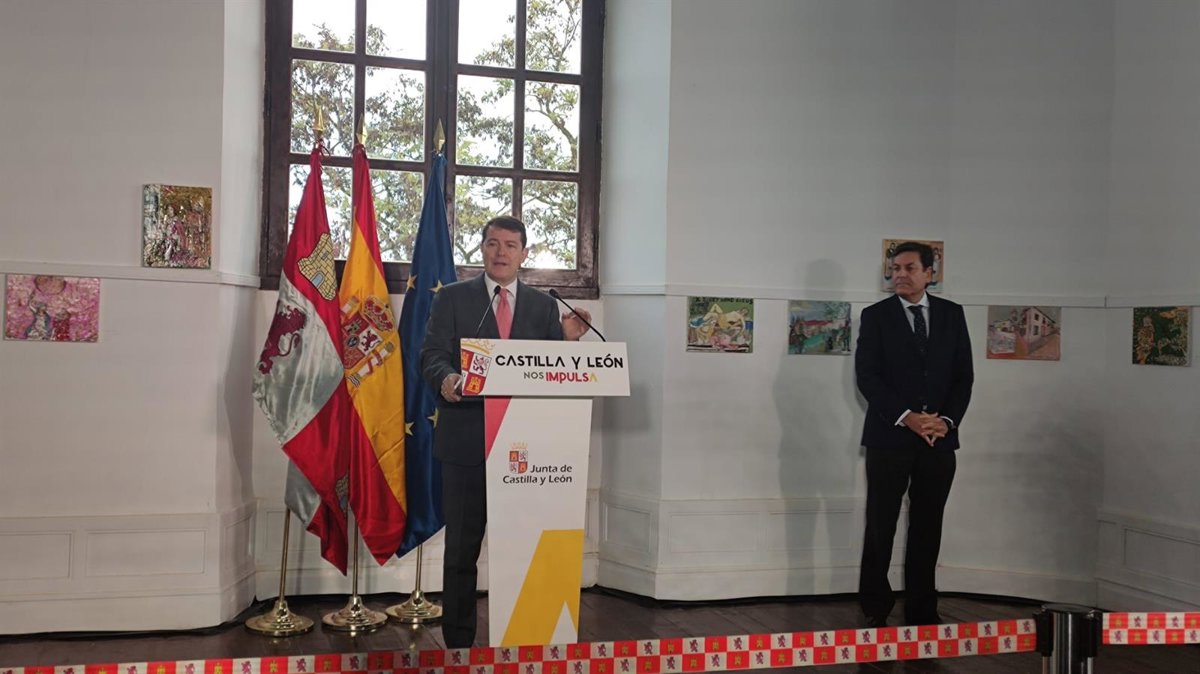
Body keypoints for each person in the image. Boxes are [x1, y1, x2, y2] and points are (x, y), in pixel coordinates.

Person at [421, 215, 592, 648]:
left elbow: (547, 371)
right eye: (493, 243)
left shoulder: (542, 306)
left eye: (510, 245)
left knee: (522, 547)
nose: (501, 253)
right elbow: (432, 354)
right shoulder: (453, 298)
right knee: (462, 552)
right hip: (467, 444)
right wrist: (447, 379)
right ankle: (459, 647)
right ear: (482, 248)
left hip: (525, 448)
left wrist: (567, 341)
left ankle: (524, 641)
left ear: (523, 254)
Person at [855, 241, 973, 627]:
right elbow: (868, 377)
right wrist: (907, 418)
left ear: (929, 274)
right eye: (895, 268)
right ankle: (875, 606)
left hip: (938, 440)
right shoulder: (876, 316)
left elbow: (963, 377)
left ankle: (922, 608)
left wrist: (946, 421)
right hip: (889, 438)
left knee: (928, 525)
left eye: (909, 268)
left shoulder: (952, 315)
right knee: (881, 524)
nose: (900, 275)